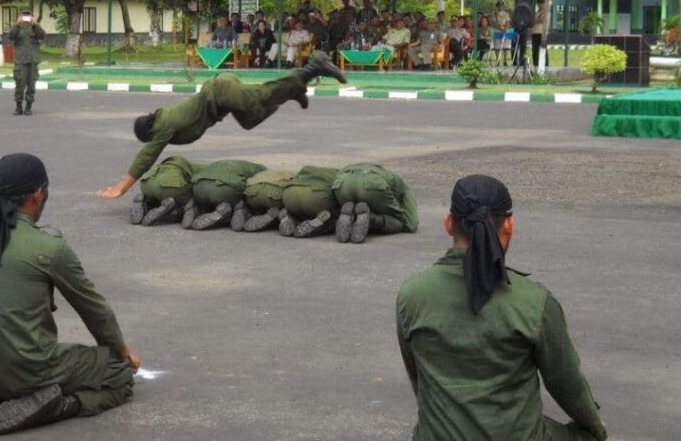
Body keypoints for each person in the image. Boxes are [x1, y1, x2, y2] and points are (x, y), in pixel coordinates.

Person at [396, 174, 607, 441]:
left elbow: (420, 383)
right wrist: (597, 429)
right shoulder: (534, 302)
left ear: (449, 224)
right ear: (509, 226)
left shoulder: (411, 296)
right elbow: (569, 388)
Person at [0, 153, 140, 435]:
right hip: (27, 368)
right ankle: (61, 405)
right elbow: (93, 309)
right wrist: (120, 351)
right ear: (37, 195)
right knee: (119, 374)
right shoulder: (48, 248)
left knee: (5, 350)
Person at [96, 51, 346, 200]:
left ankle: (312, 67)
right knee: (251, 119)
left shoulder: (164, 126)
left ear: (150, 133)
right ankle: (293, 90)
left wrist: (121, 187)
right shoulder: (164, 121)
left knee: (259, 97)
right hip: (221, 98)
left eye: (150, 139)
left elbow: (146, 156)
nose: (153, 143)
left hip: (220, 91)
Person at [333, 163, 418, 244]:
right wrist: (410, 224)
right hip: (373, 184)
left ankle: (348, 215)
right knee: (399, 222)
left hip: (342, 182)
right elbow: (407, 197)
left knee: (356, 209)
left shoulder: (346, 169)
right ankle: (371, 219)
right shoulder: (391, 175)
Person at [181, 160, 266, 230]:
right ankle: (238, 210)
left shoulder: (220, 163)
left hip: (198, 187)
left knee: (206, 201)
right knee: (250, 191)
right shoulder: (258, 170)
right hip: (223, 190)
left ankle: (197, 208)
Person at [130, 156, 205, 226]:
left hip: (146, 183)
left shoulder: (177, 163)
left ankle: (146, 201)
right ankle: (172, 210)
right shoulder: (203, 168)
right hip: (168, 186)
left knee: (159, 193)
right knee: (194, 198)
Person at [279, 165, 340, 238]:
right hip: (316, 198)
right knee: (333, 219)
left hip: (289, 194)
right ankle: (317, 223)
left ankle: (288, 218)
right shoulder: (337, 175)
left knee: (297, 213)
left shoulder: (305, 170)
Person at [232, 169, 297, 232]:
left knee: (255, 208)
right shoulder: (294, 175)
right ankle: (284, 216)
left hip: (252, 194)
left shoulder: (261, 172)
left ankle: (246, 211)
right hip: (273, 197)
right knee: (289, 202)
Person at [8, 8, 45, 116]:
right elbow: (11, 36)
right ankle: (18, 107)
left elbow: (42, 35)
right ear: (20, 16)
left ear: (32, 16)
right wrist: (17, 24)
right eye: (24, 15)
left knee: (31, 85)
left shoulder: (35, 27)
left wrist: (36, 24)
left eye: (28, 15)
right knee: (19, 85)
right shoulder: (17, 27)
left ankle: (28, 107)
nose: (26, 17)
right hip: (21, 62)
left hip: (32, 61)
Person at [493, 1, 513, 66]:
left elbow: (508, 22)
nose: (500, 7)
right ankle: (497, 61)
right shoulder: (494, 14)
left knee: (505, 47)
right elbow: (494, 23)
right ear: (497, 6)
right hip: (497, 31)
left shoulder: (506, 14)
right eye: (499, 5)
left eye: (502, 5)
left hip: (505, 31)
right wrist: (500, 28)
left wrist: (505, 29)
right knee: (497, 46)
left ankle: (505, 61)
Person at [532, 0, 549, 67]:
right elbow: (532, 22)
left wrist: (535, 21)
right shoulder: (535, 13)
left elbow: (542, 20)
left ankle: (546, 64)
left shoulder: (546, 12)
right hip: (535, 32)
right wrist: (536, 20)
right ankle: (535, 64)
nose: (540, 6)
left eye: (542, 4)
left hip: (542, 33)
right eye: (539, 4)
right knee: (535, 50)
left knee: (543, 49)